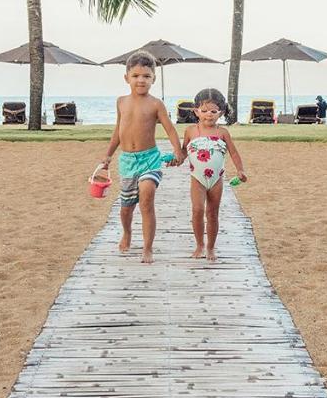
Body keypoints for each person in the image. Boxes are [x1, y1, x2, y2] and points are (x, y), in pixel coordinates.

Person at [101, 51, 185, 263]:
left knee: (147, 198)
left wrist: (178, 151)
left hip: (150, 159)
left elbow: (170, 130)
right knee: (126, 208)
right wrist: (108, 156)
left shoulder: (156, 104)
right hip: (128, 161)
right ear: (126, 77)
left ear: (153, 79)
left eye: (146, 76)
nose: (141, 80)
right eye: (136, 75)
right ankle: (127, 233)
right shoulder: (121, 102)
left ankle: (148, 247)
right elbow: (117, 132)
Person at [180, 88, 247, 262]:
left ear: (221, 113)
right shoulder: (190, 131)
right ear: (196, 111)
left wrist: (240, 170)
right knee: (197, 210)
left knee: (212, 213)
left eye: (213, 111)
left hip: (217, 179)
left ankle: (210, 247)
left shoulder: (222, 132)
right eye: (204, 111)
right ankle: (199, 244)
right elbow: (183, 152)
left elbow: (233, 153)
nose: (208, 115)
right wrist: (176, 159)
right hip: (197, 178)